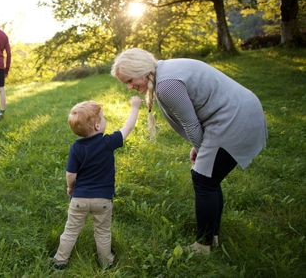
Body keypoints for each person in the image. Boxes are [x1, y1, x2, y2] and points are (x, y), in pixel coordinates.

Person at [111, 48, 267, 254]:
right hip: (238, 112)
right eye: (126, 83)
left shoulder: (166, 85)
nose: (130, 87)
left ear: (141, 69)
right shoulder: (165, 70)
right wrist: (199, 148)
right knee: (209, 179)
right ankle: (213, 237)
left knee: (203, 179)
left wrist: (203, 152)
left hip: (233, 118)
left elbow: (191, 124)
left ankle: (202, 246)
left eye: (130, 80)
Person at [52, 97, 141, 269]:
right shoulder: (108, 142)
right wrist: (135, 107)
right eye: (104, 117)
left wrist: (71, 187)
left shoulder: (76, 147)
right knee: (102, 232)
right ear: (97, 126)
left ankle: (60, 261)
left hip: (79, 199)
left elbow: (70, 174)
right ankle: (106, 261)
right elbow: (128, 127)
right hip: (103, 200)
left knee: (70, 231)